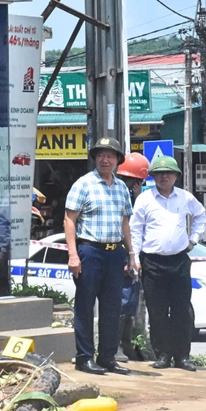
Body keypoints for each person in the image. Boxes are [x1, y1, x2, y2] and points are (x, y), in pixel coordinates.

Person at [64, 137, 134, 375]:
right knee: (85, 306)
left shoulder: (122, 188)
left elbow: (125, 223)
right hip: (90, 251)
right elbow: (69, 220)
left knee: (113, 307)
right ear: (95, 158)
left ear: (117, 161)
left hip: (115, 253)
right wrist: (73, 255)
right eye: (101, 155)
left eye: (110, 156)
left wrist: (131, 255)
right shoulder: (83, 184)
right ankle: (84, 357)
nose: (105, 160)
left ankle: (107, 357)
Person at [130, 155, 206, 371]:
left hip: (179, 261)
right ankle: (163, 354)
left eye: (169, 173)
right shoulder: (144, 199)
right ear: (153, 177)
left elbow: (200, 216)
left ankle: (183, 356)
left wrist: (194, 240)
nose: (164, 177)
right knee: (157, 311)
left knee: (181, 310)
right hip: (152, 262)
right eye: (160, 174)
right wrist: (134, 257)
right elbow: (136, 229)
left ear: (176, 176)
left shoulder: (185, 197)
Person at [115, 152, 150, 362]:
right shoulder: (119, 196)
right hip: (121, 254)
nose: (134, 186)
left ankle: (127, 343)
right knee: (121, 301)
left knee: (131, 301)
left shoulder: (139, 200)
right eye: (133, 182)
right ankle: (117, 345)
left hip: (135, 255)